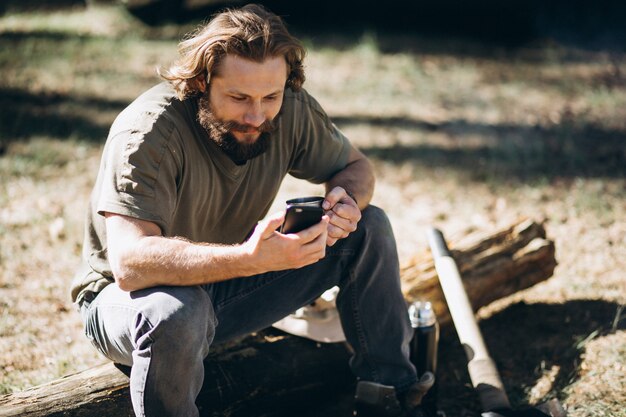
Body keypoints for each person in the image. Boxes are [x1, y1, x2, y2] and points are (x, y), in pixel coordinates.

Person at [71, 4, 433, 417]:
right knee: (177, 311)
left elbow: (355, 167)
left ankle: (391, 397)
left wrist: (343, 204)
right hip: (129, 304)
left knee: (368, 228)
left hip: (227, 284)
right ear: (202, 81)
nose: (257, 115)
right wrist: (247, 259)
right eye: (239, 97)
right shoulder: (148, 132)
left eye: (271, 97)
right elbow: (130, 263)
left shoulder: (289, 108)